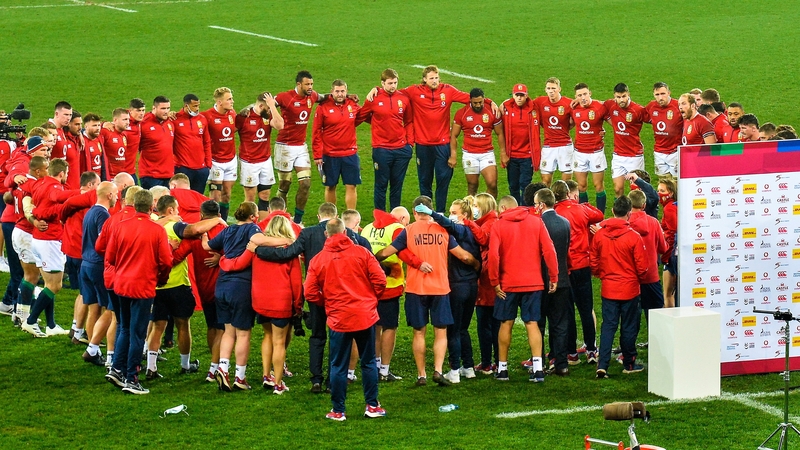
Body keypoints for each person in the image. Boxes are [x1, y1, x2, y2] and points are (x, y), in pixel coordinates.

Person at [252, 202, 369, 393]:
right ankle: (334, 379)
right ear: (336, 216)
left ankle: (316, 380)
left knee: (317, 336)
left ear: (318, 216)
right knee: (337, 336)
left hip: (316, 293)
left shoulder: (308, 234)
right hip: (342, 295)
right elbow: (368, 256)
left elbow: (288, 253)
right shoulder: (349, 234)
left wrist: (258, 250)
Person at [376, 196, 479, 386]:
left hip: (416, 289)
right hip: (440, 288)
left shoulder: (408, 231)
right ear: (431, 211)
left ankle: (421, 375)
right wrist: (476, 264)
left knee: (419, 332)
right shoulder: (443, 231)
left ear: (414, 212)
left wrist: (374, 259)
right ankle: (438, 370)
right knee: (441, 332)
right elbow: (463, 256)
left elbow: (386, 252)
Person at [368, 65, 497, 212]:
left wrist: (489, 101)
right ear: (424, 79)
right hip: (423, 145)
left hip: (442, 145)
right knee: (425, 182)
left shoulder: (448, 91)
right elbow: (394, 93)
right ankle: (427, 213)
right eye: (431, 78)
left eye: (436, 78)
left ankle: (440, 212)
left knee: (443, 181)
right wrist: (377, 89)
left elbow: (470, 98)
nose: (434, 81)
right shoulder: (414, 91)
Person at [304, 218, 387, 421]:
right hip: (364, 316)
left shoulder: (318, 260)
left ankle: (338, 410)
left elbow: (310, 292)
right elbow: (380, 280)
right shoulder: (362, 253)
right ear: (346, 232)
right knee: (368, 362)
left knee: (338, 365)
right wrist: (370, 299)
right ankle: (372, 405)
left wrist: (327, 303)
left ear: (326, 234)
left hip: (338, 317)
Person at [219, 214, 302, 394]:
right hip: (281, 302)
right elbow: (296, 283)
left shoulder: (257, 251)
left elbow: (243, 265)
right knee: (279, 342)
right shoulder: (290, 252)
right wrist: (298, 306)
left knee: (267, 336)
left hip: (260, 301)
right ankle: (278, 384)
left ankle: (266, 376)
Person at [103, 189, 173, 394]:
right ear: (151, 207)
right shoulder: (157, 231)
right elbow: (166, 261)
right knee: (137, 333)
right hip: (143, 287)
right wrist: (161, 278)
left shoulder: (120, 227)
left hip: (121, 285)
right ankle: (132, 379)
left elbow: (111, 258)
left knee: (124, 327)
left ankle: (117, 369)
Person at [489, 195, 558, 382]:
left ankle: (502, 369)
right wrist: (554, 276)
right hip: (533, 282)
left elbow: (493, 256)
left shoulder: (499, 225)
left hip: (507, 284)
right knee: (532, 323)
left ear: (503, 208)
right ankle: (538, 369)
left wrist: (494, 281)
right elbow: (549, 250)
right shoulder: (536, 222)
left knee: (505, 323)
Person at [203, 202, 262, 391]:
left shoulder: (227, 231)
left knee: (228, 332)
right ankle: (240, 377)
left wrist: (204, 235)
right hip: (241, 286)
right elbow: (260, 242)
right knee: (243, 333)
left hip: (221, 286)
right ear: (253, 217)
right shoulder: (253, 229)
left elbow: (207, 245)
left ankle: (222, 367)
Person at [591, 196, 648, 378]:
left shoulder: (600, 235)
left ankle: (602, 365)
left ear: (613, 212)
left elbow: (593, 261)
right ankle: (629, 363)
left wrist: (603, 275)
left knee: (608, 326)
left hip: (609, 289)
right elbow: (642, 267)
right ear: (629, 214)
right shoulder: (633, 237)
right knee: (629, 327)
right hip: (629, 289)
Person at [360, 206, 419, 381]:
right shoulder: (397, 229)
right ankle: (384, 371)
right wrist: (419, 263)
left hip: (368, 285)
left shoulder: (369, 227)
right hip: (390, 285)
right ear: (401, 219)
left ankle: (375, 365)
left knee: (375, 327)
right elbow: (403, 252)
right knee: (389, 327)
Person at [428, 198, 481, 384]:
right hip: (472, 284)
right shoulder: (475, 231)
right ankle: (469, 368)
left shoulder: (461, 229)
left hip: (457, 286)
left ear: (464, 215)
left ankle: (454, 370)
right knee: (463, 329)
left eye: (454, 212)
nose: (450, 215)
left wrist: (432, 214)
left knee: (453, 330)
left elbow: (452, 227)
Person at [552, 180, 603, 364]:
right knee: (586, 309)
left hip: (564, 268)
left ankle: (572, 353)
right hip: (582, 265)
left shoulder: (554, 213)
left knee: (567, 311)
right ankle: (591, 350)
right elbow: (599, 214)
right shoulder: (580, 209)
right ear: (568, 193)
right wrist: (583, 205)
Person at [23, 158, 74, 337]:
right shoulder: (55, 187)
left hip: (38, 239)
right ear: (61, 173)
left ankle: (51, 325)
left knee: (48, 284)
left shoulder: (39, 183)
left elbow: (35, 202)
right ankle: (30, 321)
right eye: (66, 174)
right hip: (50, 240)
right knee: (55, 285)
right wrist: (81, 193)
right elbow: (57, 200)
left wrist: (36, 214)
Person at [357, 68, 414, 211]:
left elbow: (408, 121)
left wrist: (410, 145)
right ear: (382, 83)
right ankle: (380, 216)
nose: (393, 86)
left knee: (397, 185)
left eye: (395, 82)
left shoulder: (403, 98)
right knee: (381, 184)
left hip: (401, 149)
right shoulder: (373, 98)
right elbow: (360, 116)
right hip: (381, 149)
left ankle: (396, 216)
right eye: (390, 83)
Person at [531, 188, 571, 376]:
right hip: (562, 280)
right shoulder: (565, 223)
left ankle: (539, 362)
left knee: (539, 323)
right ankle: (562, 364)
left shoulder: (536, 224)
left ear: (541, 204)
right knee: (560, 323)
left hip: (540, 282)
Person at [8, 151, 50, 329]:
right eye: (46, 168)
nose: (48, 171)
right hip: (26, 232)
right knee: (32, 275)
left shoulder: (21, 183)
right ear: (38, 171)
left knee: (29, 275)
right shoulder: (33, 185)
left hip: (19, 231)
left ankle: (19, 313)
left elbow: (8, 197)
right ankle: (22, 316)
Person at [78, 181, 119, 366]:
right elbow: (105, 243)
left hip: (85, 264)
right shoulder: (103, 214)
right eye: (116, 193)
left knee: (94, 308)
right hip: (98, 266)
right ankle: (94, 348)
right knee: (111, 309)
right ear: (109, 195)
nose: (118, 197)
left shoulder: (89, 212)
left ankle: (92, 347)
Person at [274, 71, 321, 224]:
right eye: (307, 84)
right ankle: (281, 219)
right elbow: (265, 105)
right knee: (285, 184)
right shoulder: (285, 97)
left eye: (312, 84)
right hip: (285, 147)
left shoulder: (312, 96)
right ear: (299, 84)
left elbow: (325, 97)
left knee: (306, 184)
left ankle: (298, 221)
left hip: (301, 147)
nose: (310, 87)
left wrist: (346, 97)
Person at [462, 193, 500, 374]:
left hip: (487, 281)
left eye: (476, 205)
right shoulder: (488, 221)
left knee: (486, 324)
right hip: (488, 279)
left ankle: (489, 363)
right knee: (491, 323)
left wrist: (468, 223)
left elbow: (484, 239)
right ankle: (496, 362)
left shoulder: (491, 223)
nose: (474, 208)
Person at [312, 80, 363, 210]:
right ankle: (330, 218)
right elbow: (316, 132)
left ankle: (350, 217)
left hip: (350, 153)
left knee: (351, 185)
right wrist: (318, 155)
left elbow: (365, 116)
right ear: (332, 91)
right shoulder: (323, 107)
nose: (340, 94)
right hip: (330, 154)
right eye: (337, 91)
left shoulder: (353, 104)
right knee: (330, 186)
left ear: (346, 92)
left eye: (342, 91)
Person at [236, 92, 284, 218]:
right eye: (268, 108)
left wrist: (272, 107)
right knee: (250, 197)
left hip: (265, 161)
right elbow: (230, 130)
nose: (270, 111)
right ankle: (245, 225)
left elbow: (280, 125)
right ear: (262, 106)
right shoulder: (244, 117)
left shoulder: (267, 116)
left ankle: (262, 226)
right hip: (249, 162)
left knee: (265, 195)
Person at [451, 88, 504, 198]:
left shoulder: (492, 111)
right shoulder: (462, 113)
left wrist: (503, 153)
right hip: (469, 154)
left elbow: (500, 133)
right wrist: (453, 155)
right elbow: (453, 135)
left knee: (492, 184)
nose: (478, 105)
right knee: (472, 185)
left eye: (481, 102)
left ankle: (490, 211)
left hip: (487, 153)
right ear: (470, 101)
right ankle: (471, 212)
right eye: (475, 103)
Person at [627, 189, 667, 329]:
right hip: (651, 276)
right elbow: (663, 248)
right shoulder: (654, 223)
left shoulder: (624, 224)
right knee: (655, 313)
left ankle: (628, 348)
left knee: (629, 316)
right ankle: (657, 345)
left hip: (630, 276)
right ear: (644, 205)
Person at [603, 83, 648, 198]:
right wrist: (580, 100)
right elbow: (596, 106)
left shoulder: (638, 110)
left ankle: (639, 214)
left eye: (623, 96)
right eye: (618, 97)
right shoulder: (611, 105)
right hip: (618, 155)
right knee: (617, 189)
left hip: (634, 155)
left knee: (636, 190)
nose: (621, 100)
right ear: (614, 96)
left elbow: (655, 120)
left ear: (628, 94)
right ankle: (621, 214)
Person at [570, 83, 609, 213]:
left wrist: (605, 132)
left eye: (585, 94)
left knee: (598, 186)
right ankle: (584, 215)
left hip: (596, 152)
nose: (583, 97)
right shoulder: (573, 107)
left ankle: (600, 216)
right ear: (575, 97)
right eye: (579, 95)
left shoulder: (599, 107)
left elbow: (614, 117)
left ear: (590, 93)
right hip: (579, 152)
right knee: (581, 186)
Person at [203, 87, 238, 221]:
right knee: (215, 195)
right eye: (229, 99)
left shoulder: (231, 114)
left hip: (230, 160)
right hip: (215, 161)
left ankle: (222, 222)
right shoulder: (207, 116)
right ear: (219, 102)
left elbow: (233, 129)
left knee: (227, 194)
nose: (232, 101)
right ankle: (211, 222)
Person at [500, 84, 538, 205]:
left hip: (527, 156)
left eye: (522, 95)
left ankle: (524, 210)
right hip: (512, 156)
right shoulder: (506, 108)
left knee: (525, 185)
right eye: (517, 95)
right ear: (513, 95)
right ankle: (516, 209)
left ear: (526, 95)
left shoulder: (534, 108)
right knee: (513, 185)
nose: (520, 98)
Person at [533, 77, 574, 186]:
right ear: (545, 89)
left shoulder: (568, 103)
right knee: (545, 181)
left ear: (559, 89)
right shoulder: (540, 102)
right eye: (549, 88)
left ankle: (566, 203)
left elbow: (581, 115)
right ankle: (548, 202)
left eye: (554, 88)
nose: (551, 91)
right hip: (548, 146)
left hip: (565, 146)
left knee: (566, 183)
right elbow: (523, 101)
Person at [172, 93, 211, 194]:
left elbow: (206, 142)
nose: (197, 108)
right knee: (182, 197)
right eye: (194, 106)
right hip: (183, 167)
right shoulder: (174, 119)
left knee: (197, 198)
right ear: (186, 106)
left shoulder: (202, 119)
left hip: (201, 168)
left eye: (198, 105)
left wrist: (208, 165)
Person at [645, 82, 683, 177]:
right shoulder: (651, 106)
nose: (660, 98)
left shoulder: (678, 106)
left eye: (663, 94)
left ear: (669, 93)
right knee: (663, 183)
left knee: (676, 184)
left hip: (675, 151)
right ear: (653, 95)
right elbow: (641, 118)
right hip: (659, 152)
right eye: (657, 95)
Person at [138, 96, 175, 189]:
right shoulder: (143, 123)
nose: (166, 111)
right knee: (153, 203)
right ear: (154, 108)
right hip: (150, 175)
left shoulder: (170, 122)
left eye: (168, 108)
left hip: (169, 174)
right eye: (163, 108)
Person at [101, 108, 136, 183]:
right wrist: (102, 124)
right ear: (115, 120)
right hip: (109, 177)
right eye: (124, 119)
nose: (128, 122)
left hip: (119, 177)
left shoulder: (124, 135)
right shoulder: (106, 132)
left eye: (128, 120)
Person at [658, 177, 678, 308]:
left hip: (671, 254)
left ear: (670, 193)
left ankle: (669, 324)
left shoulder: (669, 209)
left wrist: (665, 256)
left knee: (667, 294)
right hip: (675, 253)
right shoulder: (675, 205)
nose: (658, 193)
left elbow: (673, 233)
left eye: (662, 190)